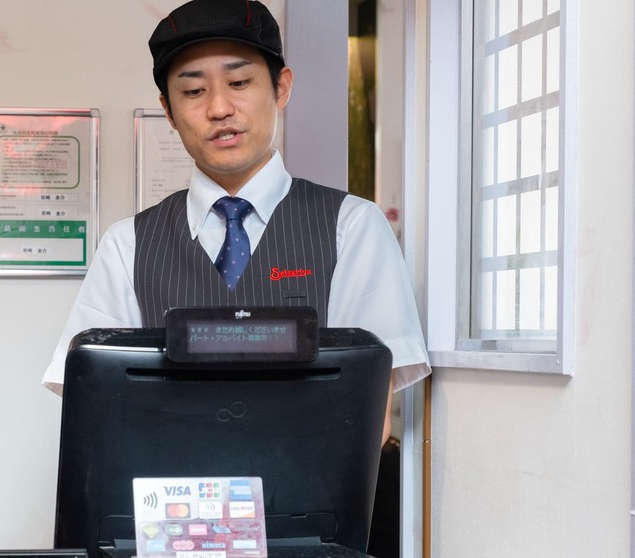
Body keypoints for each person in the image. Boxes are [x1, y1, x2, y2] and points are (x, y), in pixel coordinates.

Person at [42, 0, 430, 442]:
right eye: (193, 91)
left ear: (281, 88)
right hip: (163, 484)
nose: (219, 108)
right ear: (168, 110)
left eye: (239, 82)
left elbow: (369, 408)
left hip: (308, 485)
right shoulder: (127, 245)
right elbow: (95, 399)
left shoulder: (352, 227)